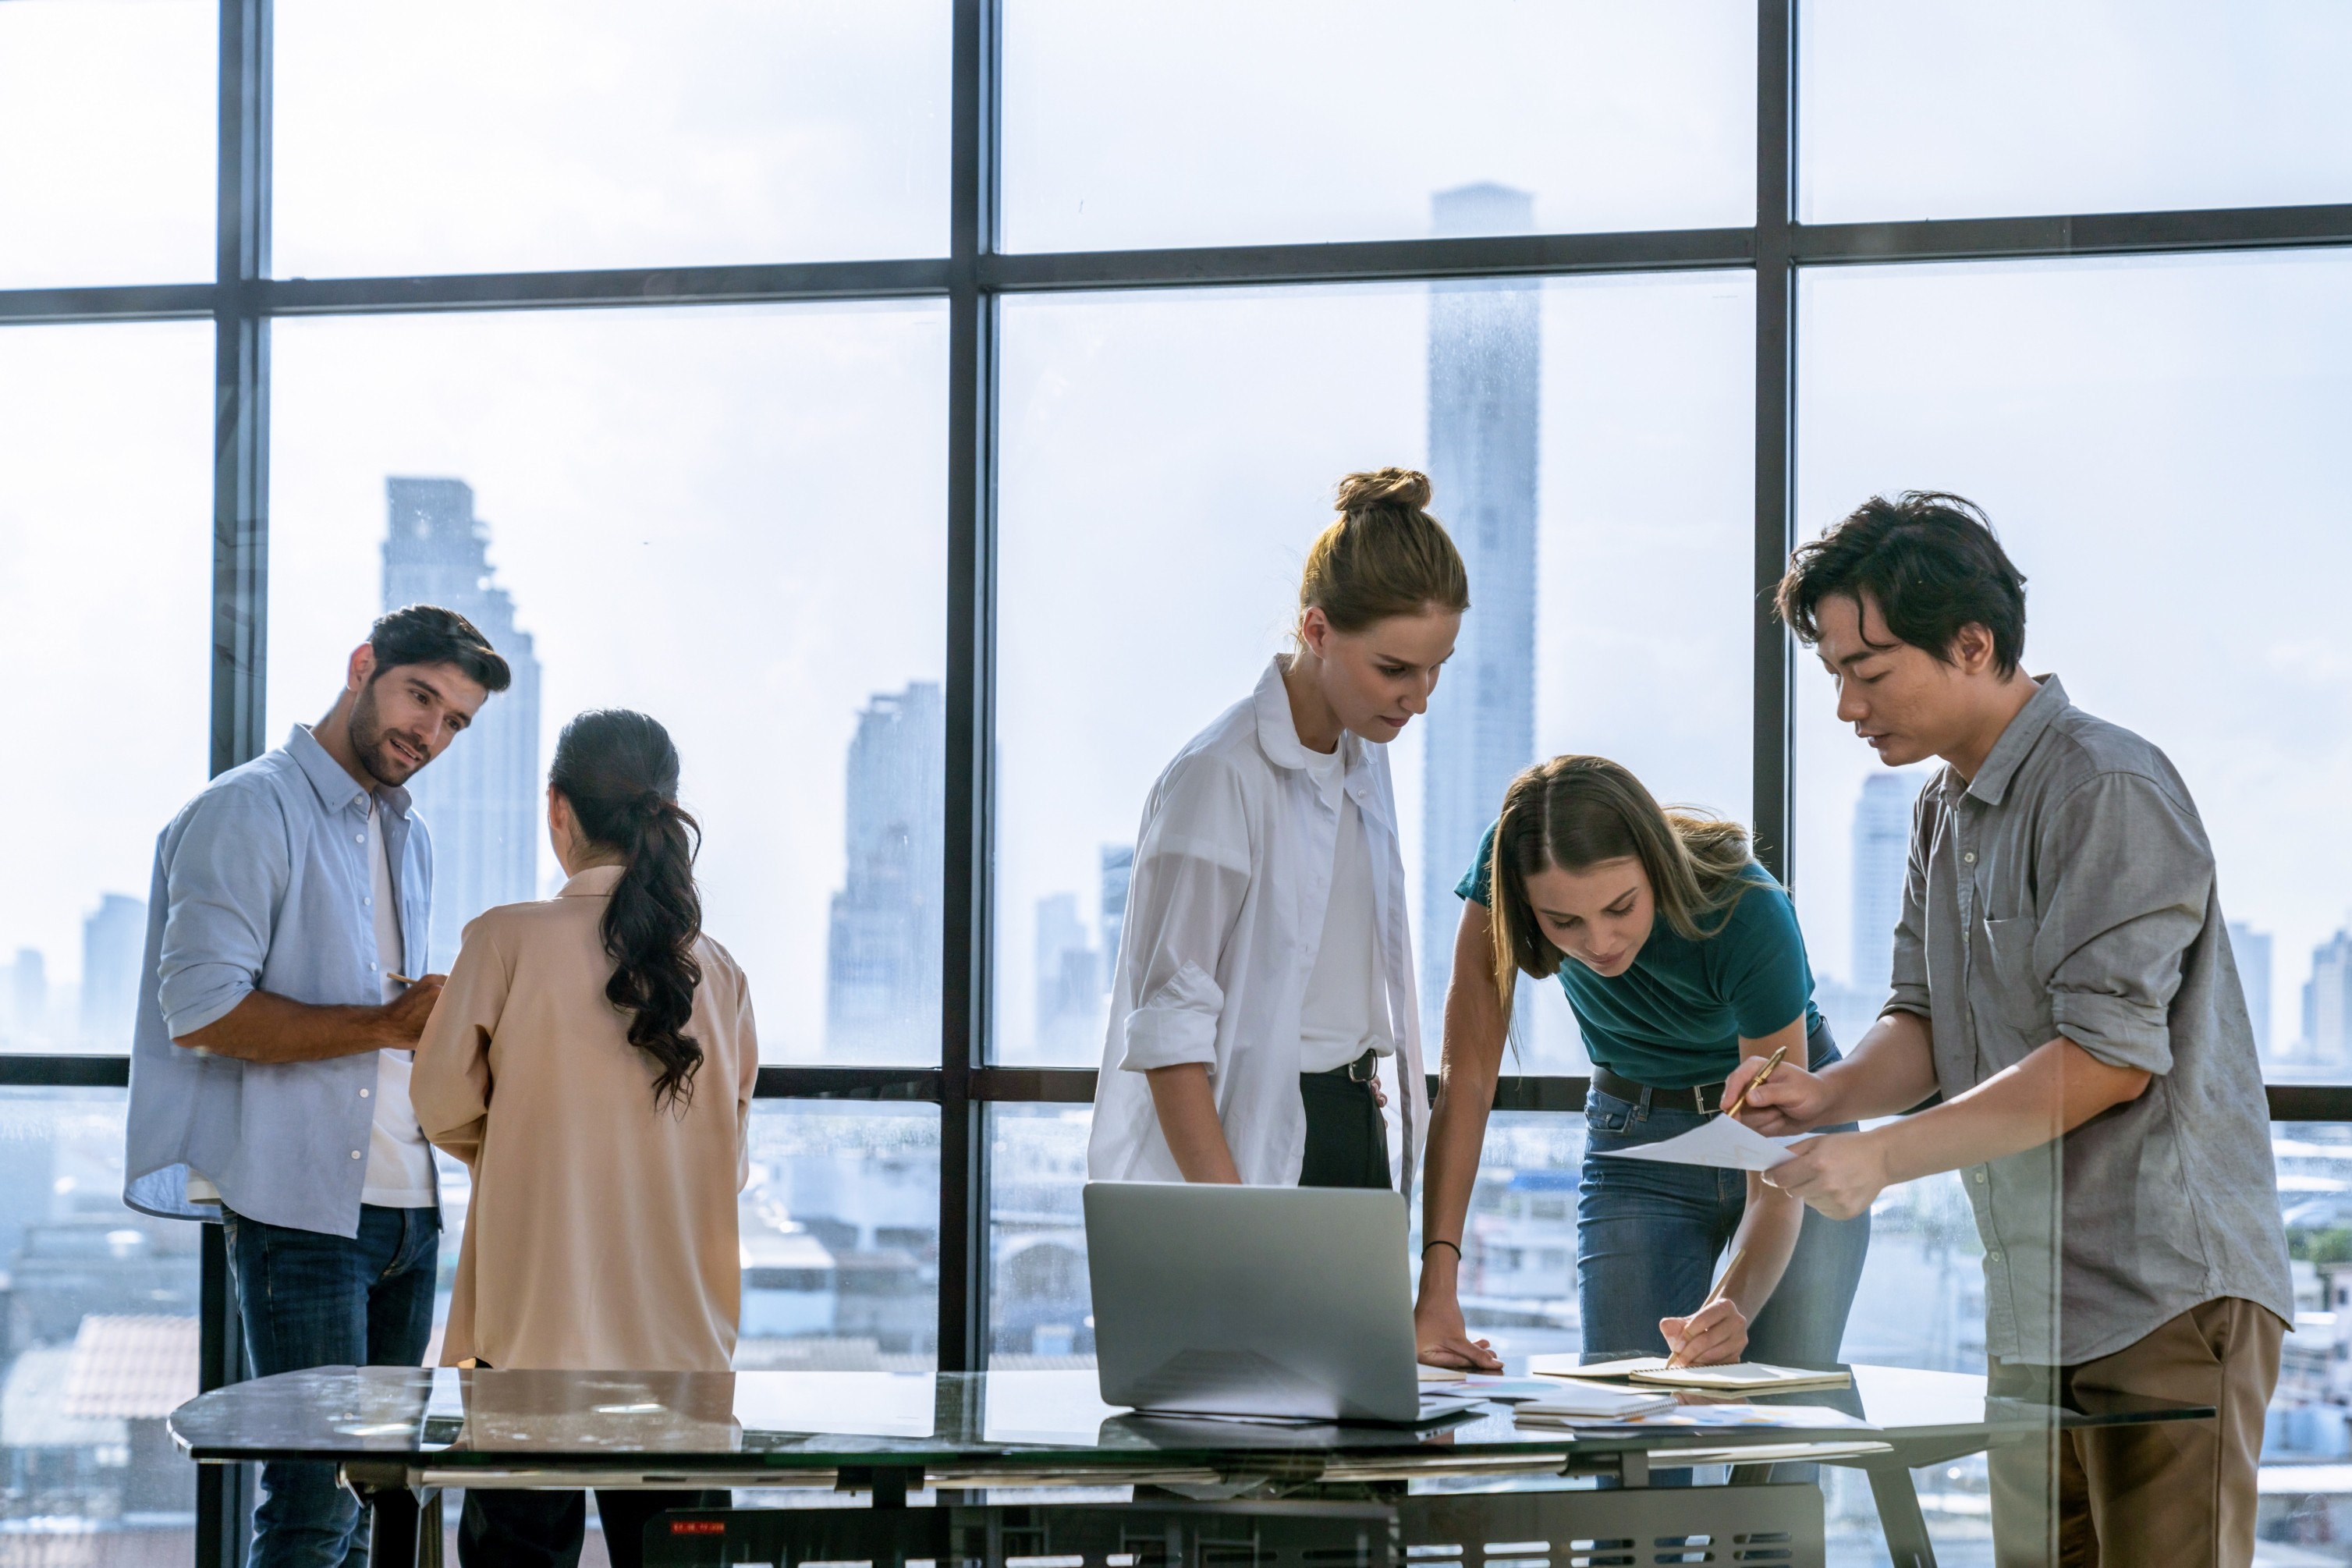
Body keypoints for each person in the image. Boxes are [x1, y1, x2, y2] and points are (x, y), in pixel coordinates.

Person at [1734, 491, 2291, 1566]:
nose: (1847, 705)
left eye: (1868, 667)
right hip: (2032, 1301)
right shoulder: (1939, 808)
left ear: (1971, 642)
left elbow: (2107, 1060)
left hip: (2162, 1292)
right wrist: (1828, 1094)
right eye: (1834, 675)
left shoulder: (2104, 783)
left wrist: (1880, 1156)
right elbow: (1925, 1019)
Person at [123, 605, 509, 1566]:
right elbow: (203, 1011)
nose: (430, 733)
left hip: (408, 1213)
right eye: (421, 698)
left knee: (374, 1511)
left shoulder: (403, 833)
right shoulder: (249, 809)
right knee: (309, 1509)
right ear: (363, 666)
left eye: (455, 721)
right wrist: (386, 1024)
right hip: (300, 1212)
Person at [412, 708, 757, 1568]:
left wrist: (527, 1148)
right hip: (683, 1352)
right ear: (664, 814)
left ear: (557, 810)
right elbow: (731, 1161)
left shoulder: (502, 941)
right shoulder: (719, 973)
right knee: (682, 1561)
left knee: (517, 1558)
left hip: (533, 1333)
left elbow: (440, 1102)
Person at [1414, 758, 1870, 1376]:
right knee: (1625, 1427)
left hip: (1788, 1132)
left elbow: (1774, 1184)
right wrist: (1435, 1289)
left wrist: (1727, 1307)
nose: (1598, 943)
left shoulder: (1747, 907)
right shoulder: (1503, 870)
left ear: (1654, 864)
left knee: (1784, 1415)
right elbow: (1466, 1083)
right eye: (1563, 922)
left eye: (1620, 907)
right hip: (1636, 1146)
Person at [1087, 467, 1467, 1194]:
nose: (1417, 699)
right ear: (1316, 629)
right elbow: (1169, 1034)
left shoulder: (1362, 753)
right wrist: (1234, 1222)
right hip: (1249, 1139)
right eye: (1395, 669)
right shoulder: (1217, 777)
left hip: (1351, 1116)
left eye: (1435, 670)